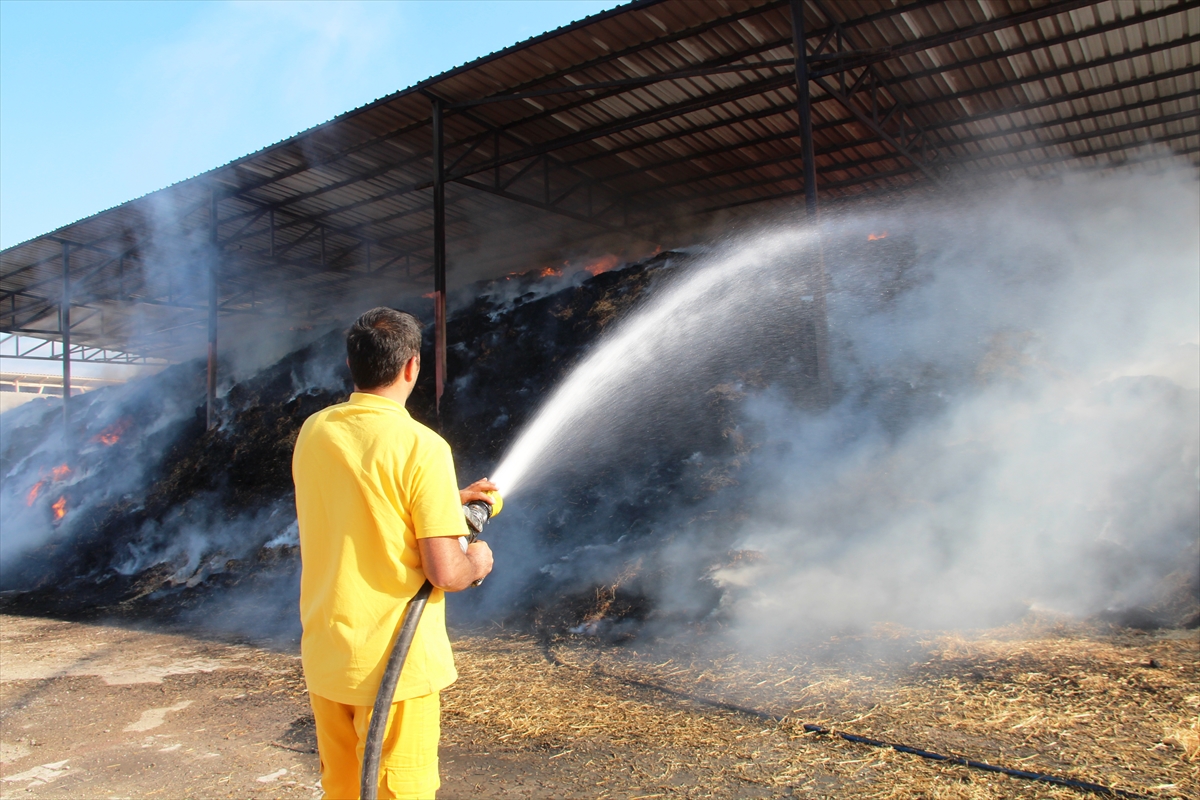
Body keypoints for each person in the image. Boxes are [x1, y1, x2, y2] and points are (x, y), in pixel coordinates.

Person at [292, 307, 495, 799]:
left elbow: (368, 498)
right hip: (394, 670)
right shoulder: (422, 446)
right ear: (412, 366)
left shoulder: (315, 432)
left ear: (351, 364)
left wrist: (446, 501)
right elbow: (444, 572)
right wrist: (478, 562)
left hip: (328, 658)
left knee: (343, 789)